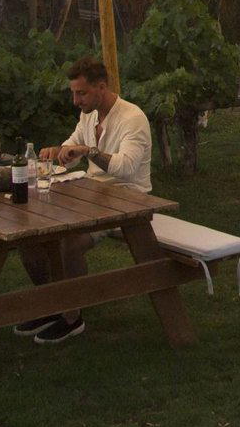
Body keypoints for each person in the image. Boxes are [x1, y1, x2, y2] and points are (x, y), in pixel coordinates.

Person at [13, 56, 154, 345]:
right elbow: (73, 143)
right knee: (27, 235)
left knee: (69, 241)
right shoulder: (89, 115)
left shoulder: (132, 118)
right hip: (93, 194)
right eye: (73, 93)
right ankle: (51, 303)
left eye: (81, 93)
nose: (76, 100)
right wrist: (60, 151)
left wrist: (87, 150)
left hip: (128, 200)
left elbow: (125, 167)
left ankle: (71, 316)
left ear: (101, 87)